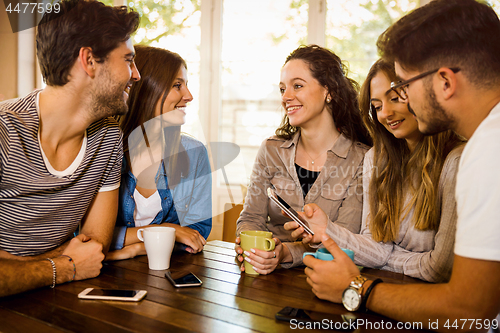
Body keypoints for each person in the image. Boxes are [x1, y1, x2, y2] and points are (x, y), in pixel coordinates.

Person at [302, 0, 500, 330]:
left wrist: (357, 288)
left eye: (404, 86)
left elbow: (470, 311)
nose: (399, 102)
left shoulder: (486, 150)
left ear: (445, 82)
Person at [0, 0, 140, 297]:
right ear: (89, 60)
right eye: (128, 60)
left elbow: (91, 249)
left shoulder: (108, 138)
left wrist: (15, 268)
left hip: (56, 301)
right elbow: (77, 263)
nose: (136, 74)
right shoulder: (4, 132)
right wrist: (64, 266)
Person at [287, 59, 465, 283]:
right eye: (377, 106)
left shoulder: (455, 161)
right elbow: (376, 249)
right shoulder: (377, 160)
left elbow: (438, 268)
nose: (386, 114)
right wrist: (326, 230)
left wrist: (387, 259)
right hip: (390, 291)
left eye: (394, 98)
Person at [235, 45, 371, 275]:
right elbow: (251, 217)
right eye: (282, 89)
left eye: (297, 86)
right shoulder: (271, 150)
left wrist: (287, 253)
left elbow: (347, 237)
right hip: (268, 277)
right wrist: (253, 247)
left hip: (329, 277)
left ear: (329, 91)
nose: (286, 97)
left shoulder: (361, 159)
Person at [105, 45, 211, 261]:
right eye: (177, 85)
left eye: (186, 85)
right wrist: (169, 231)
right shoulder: (105, 149)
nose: (188, 96)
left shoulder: (195, 153)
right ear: (146, 88)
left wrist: (133, 248)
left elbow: (196, 233)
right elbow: (86, 235)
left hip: (169, 274)